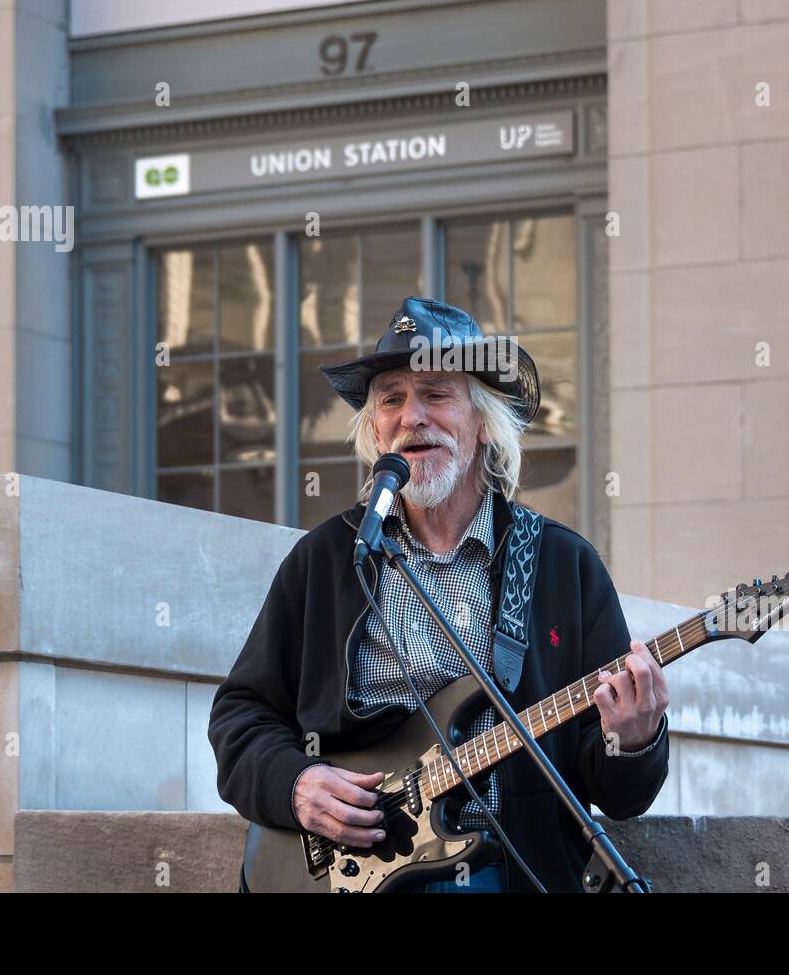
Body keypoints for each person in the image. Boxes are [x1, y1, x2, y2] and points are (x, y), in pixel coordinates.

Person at [208, 296, 669, 893]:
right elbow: (241, 715)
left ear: (483, 422)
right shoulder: (325, 560)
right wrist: (295, 784)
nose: (412, 416)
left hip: (509, 875)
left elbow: (617, 795)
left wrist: (633, 739)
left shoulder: (563, 565)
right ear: (375, 430)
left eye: (436, 393)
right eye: (392, 399)